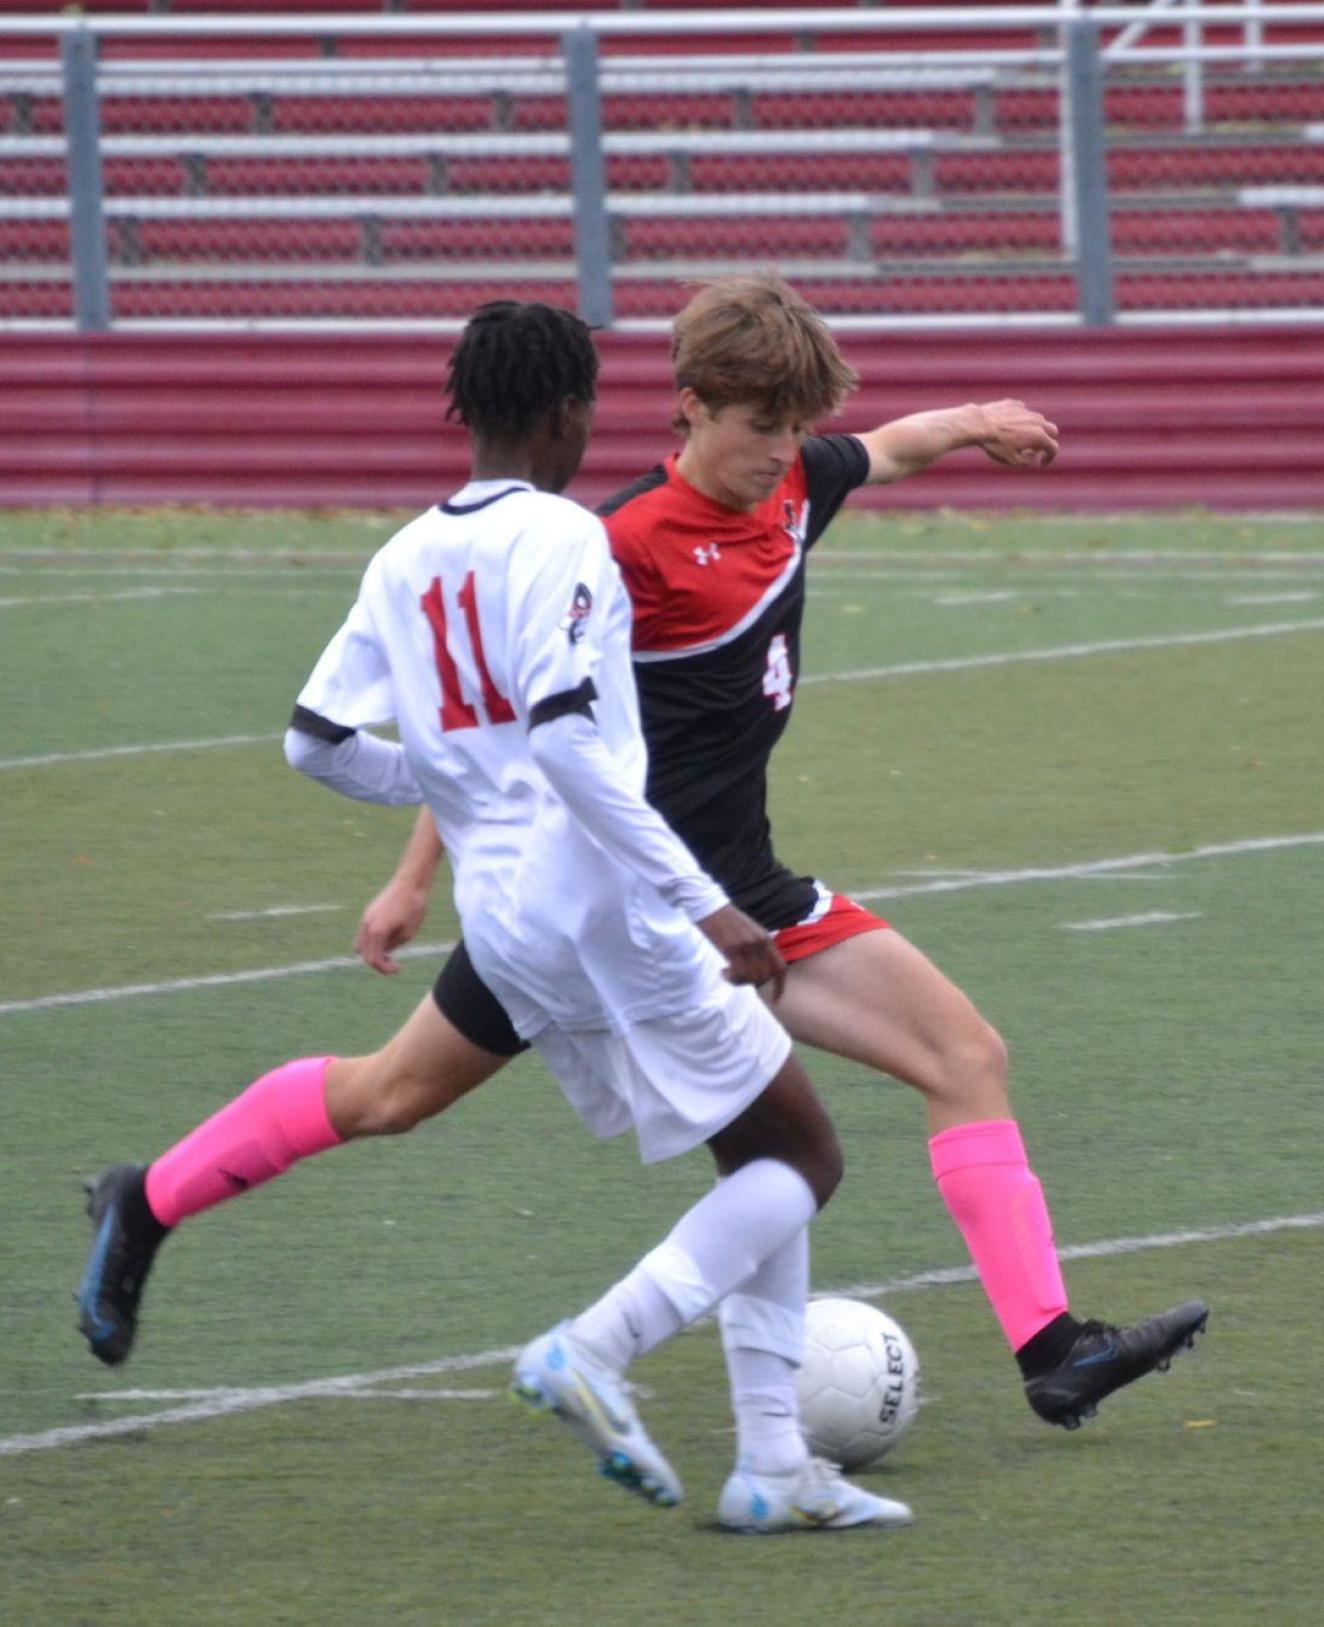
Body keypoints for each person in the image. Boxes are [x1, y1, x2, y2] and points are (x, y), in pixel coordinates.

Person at [77, 299, 910, 1534]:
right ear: (571, 411)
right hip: (606, 904)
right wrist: (706, 902)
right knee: (801, 1155)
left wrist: (457, 785)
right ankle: (593, 1349)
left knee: (413, 1094)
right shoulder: (569, 537)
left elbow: (313, 742)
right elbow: (572, 745)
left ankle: (773, 1464)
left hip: (507, 908)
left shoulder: (404, 552)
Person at [363, 275, 1208, 1432]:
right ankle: (159, 1204)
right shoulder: (614, 545)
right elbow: (512, 729)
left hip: (751, 899)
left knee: (965, 1053)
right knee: (391, 1094)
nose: (784, 450)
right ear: (693, 405)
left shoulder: (800, 481)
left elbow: (889, 448)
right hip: (622, 909)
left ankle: (1051, 1352)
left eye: (797, 426)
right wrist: (416, 876)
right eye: (763, 424)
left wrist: (978, 422)